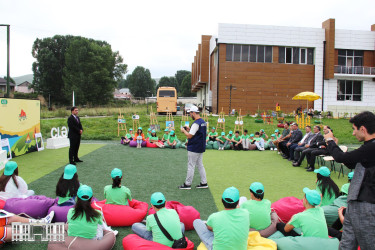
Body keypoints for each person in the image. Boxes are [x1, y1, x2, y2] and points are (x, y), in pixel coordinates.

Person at [324, 111, 375, 249]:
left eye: (354, 129)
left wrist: (329, 141)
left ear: (363, 129)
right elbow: (351, 162)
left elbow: (342, 158)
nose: (353, 133)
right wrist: (333, 145)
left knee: (368, 245)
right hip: (355, 204)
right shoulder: (368, 147)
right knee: (346, 244)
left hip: (366, 206)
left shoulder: (372, 147)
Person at [179, 105, 208, 190]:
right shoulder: (203, 122)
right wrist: (190, 128)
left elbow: (189, 136)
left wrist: (184, 130)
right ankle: (204, 182)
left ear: (194, 113)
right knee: (200, 165)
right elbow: (198, 132)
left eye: (190, 113)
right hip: (201, 147)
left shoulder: (196, 123)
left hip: (194, 147)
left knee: (191, 165)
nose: (190, 115)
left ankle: (187, 184)